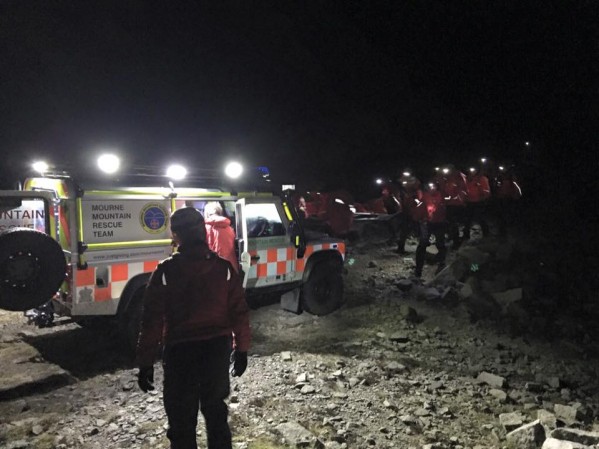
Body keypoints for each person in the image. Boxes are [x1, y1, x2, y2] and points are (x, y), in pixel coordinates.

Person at [136, 207, 251, 449]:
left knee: (181, 421)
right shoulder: (223, 269)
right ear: (203, 231)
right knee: (216, 413)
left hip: (181, 353)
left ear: (176, 235)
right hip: (216, 350)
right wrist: (241, 350)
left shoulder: (165, 271)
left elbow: (152, 321)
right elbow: (239, 313)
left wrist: (146, 362)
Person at [415, 181, 447, 277]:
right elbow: (420, 207)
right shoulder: (425, 196)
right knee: (422, 244)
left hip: (439, 222)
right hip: (427, 223)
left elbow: (446, 205)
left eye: (433, 186)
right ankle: (418, 268)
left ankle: (442, 263)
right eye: (429, 186)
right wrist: (420, 218)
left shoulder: (441, 195)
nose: (431, 188)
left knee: (440, 243)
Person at [438, 165, 468, 249]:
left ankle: (457, 240)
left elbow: (462, 190)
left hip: (457, 203)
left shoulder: (459, 177)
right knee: (450, 222)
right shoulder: (446, 178)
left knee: (455, 222)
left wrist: (457, 198)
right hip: (449, 203)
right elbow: (443, 189)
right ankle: (453, 237)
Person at [204, 201, 239, 272]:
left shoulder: (204, 229)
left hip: (215, 269)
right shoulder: (229, 228)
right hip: (231, 267)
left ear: (207, 213)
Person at [396, 169, 422, 254]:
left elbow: (419, 202)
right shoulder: (403, 192)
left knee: (417, 229)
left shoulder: (415, 191)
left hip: (414, 213)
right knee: (404, 231)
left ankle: (423, 246)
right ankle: (400, 248)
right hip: (406, 213)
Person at [464, 166, 491, 240]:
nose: (472, 171)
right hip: (469, 202)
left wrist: (483, 196)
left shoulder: (482, 178)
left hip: (479, 202)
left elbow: (487, 191)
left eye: (474, 170)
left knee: (480, 218)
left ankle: (486, 233)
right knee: (467, 219)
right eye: (470, 170)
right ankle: (466, 235)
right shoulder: (466, 179)